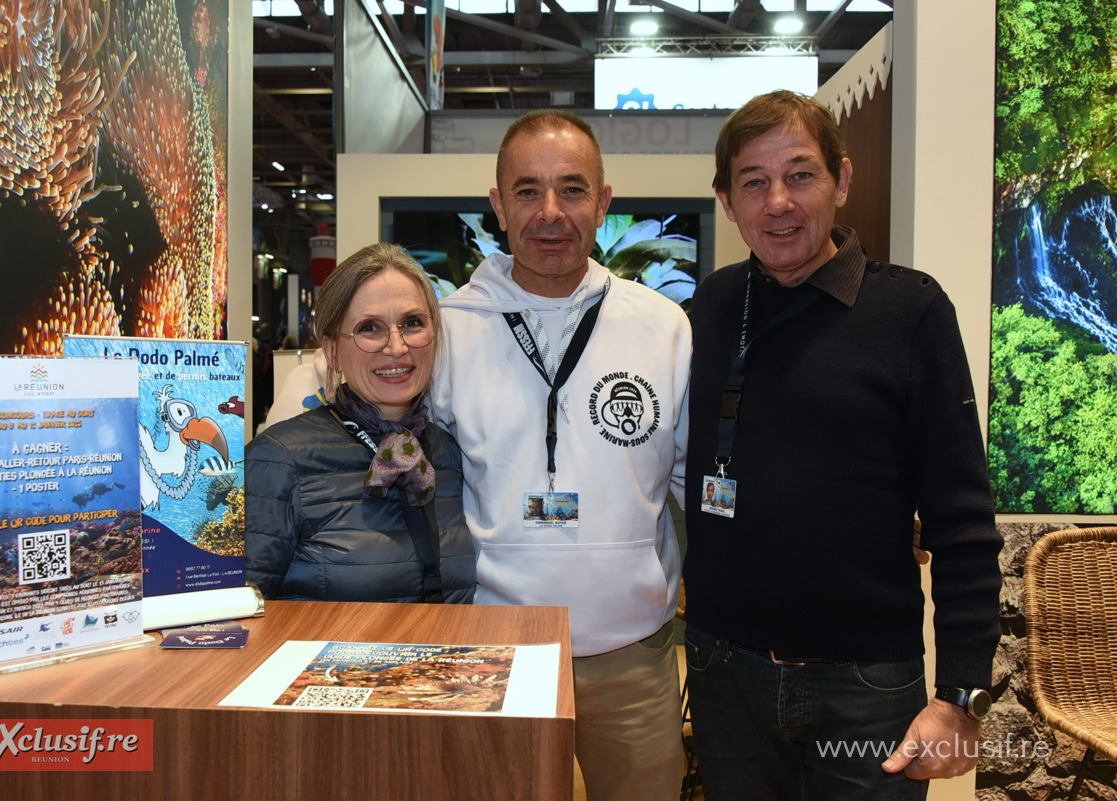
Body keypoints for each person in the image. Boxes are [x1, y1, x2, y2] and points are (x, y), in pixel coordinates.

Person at [683, 89, 1002, 799]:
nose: (778, 202)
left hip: (866, 682)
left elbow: (961, 517)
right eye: (754, 183)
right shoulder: (708, 307)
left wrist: (961, 693)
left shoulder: (912, 313)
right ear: (726, 201)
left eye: (800, 175)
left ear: (842, 180)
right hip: (723, 671)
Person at [428, 110, 690, 801]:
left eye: (572, 190)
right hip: (493, 651)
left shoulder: (662, 327)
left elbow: (703, 479)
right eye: (527, 191)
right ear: (497, 205)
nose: (550, 213)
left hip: (632, 654)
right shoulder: (449, 331)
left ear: (604, 202)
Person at [245, 243, 474, 604]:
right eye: (370, 328)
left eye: (412, 323)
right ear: (332, 351)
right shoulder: (279, 460)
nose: (397, 347)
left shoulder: (448, 452)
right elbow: (236, 612)